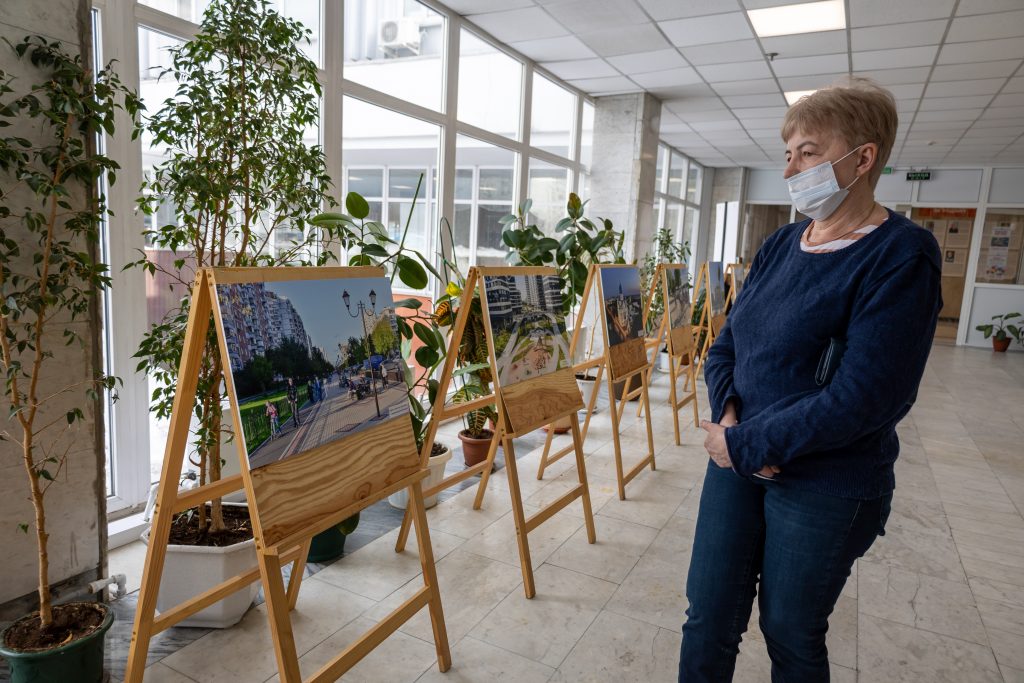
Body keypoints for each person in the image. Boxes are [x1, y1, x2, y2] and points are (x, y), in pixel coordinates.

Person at [678, 78, 942, 683]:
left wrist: (750, 445)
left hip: (826, 481)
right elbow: (726, 348)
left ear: (864, 157)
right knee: (708, 617)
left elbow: (867, 397)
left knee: (790, 633)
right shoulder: (779, 245)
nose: (792, 166)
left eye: (810, 151)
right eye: (789, 152)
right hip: (737, 460)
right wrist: (730, 420)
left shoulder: (901, 255)